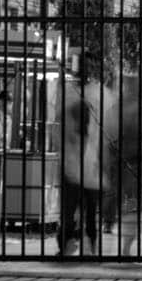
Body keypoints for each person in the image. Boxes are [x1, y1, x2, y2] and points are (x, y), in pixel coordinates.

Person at [58, 72, 102, 257]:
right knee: (89, 213)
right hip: (87, 173)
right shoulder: (89, 131)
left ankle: (68, 246)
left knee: (70, 212)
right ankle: (89, 246)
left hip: (76, 173)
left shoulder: (73, 127)